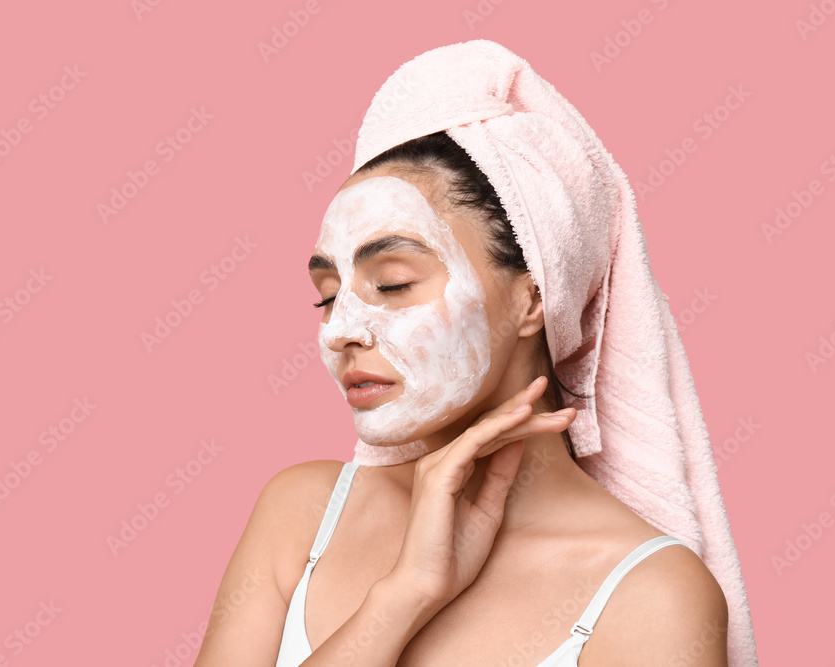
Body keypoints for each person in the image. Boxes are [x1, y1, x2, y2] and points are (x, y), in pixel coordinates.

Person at [193, 131, 729, 666]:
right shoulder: (301, 513)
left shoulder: (654, 595)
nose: (340, 330)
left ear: (533, 298)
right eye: (329, 296)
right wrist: (404, 596)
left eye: (394, 283)